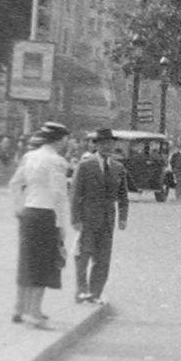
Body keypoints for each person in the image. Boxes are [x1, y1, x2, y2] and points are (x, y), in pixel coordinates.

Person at [8, 122, 72, 328]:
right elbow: (58, 195)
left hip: (29, 211)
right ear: (59, 140)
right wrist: (62, 225)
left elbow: (14, 183)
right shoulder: (56, 162)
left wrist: (18, 207)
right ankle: (34, 312)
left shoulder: (30, 156)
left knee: (26, 259)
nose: (66, 143)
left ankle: (19, 308)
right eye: (65, 139)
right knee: (43, 263)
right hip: (47, 214)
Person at [70, 128, 130, 304]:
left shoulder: (118, 168)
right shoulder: (86, 165)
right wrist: (76, 219)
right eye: (103, 144)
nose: (107, 147)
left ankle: (95, 293)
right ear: (96, 145)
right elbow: (75, 194)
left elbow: (123, 195)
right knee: (83, 255)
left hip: (107, 219)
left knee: (103, 259)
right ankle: (82, 291)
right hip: (88, 218)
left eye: (110, 144)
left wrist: (123, 217)